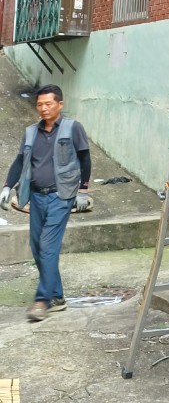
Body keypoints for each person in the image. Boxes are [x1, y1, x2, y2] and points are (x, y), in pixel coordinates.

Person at [0, 85, 92, 322]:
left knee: (48, 245)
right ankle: (58, 297)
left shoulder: (73, 128)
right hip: (36, 196)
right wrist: (7, 187)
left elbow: (85, 158)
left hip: (61, 196)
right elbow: (20, 161)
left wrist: (83, 189)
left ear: (59, 104)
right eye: (39, 104)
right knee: (36, 246)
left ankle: (43, 300)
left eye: (48, 103)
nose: (43, 108)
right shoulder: (31, 132)